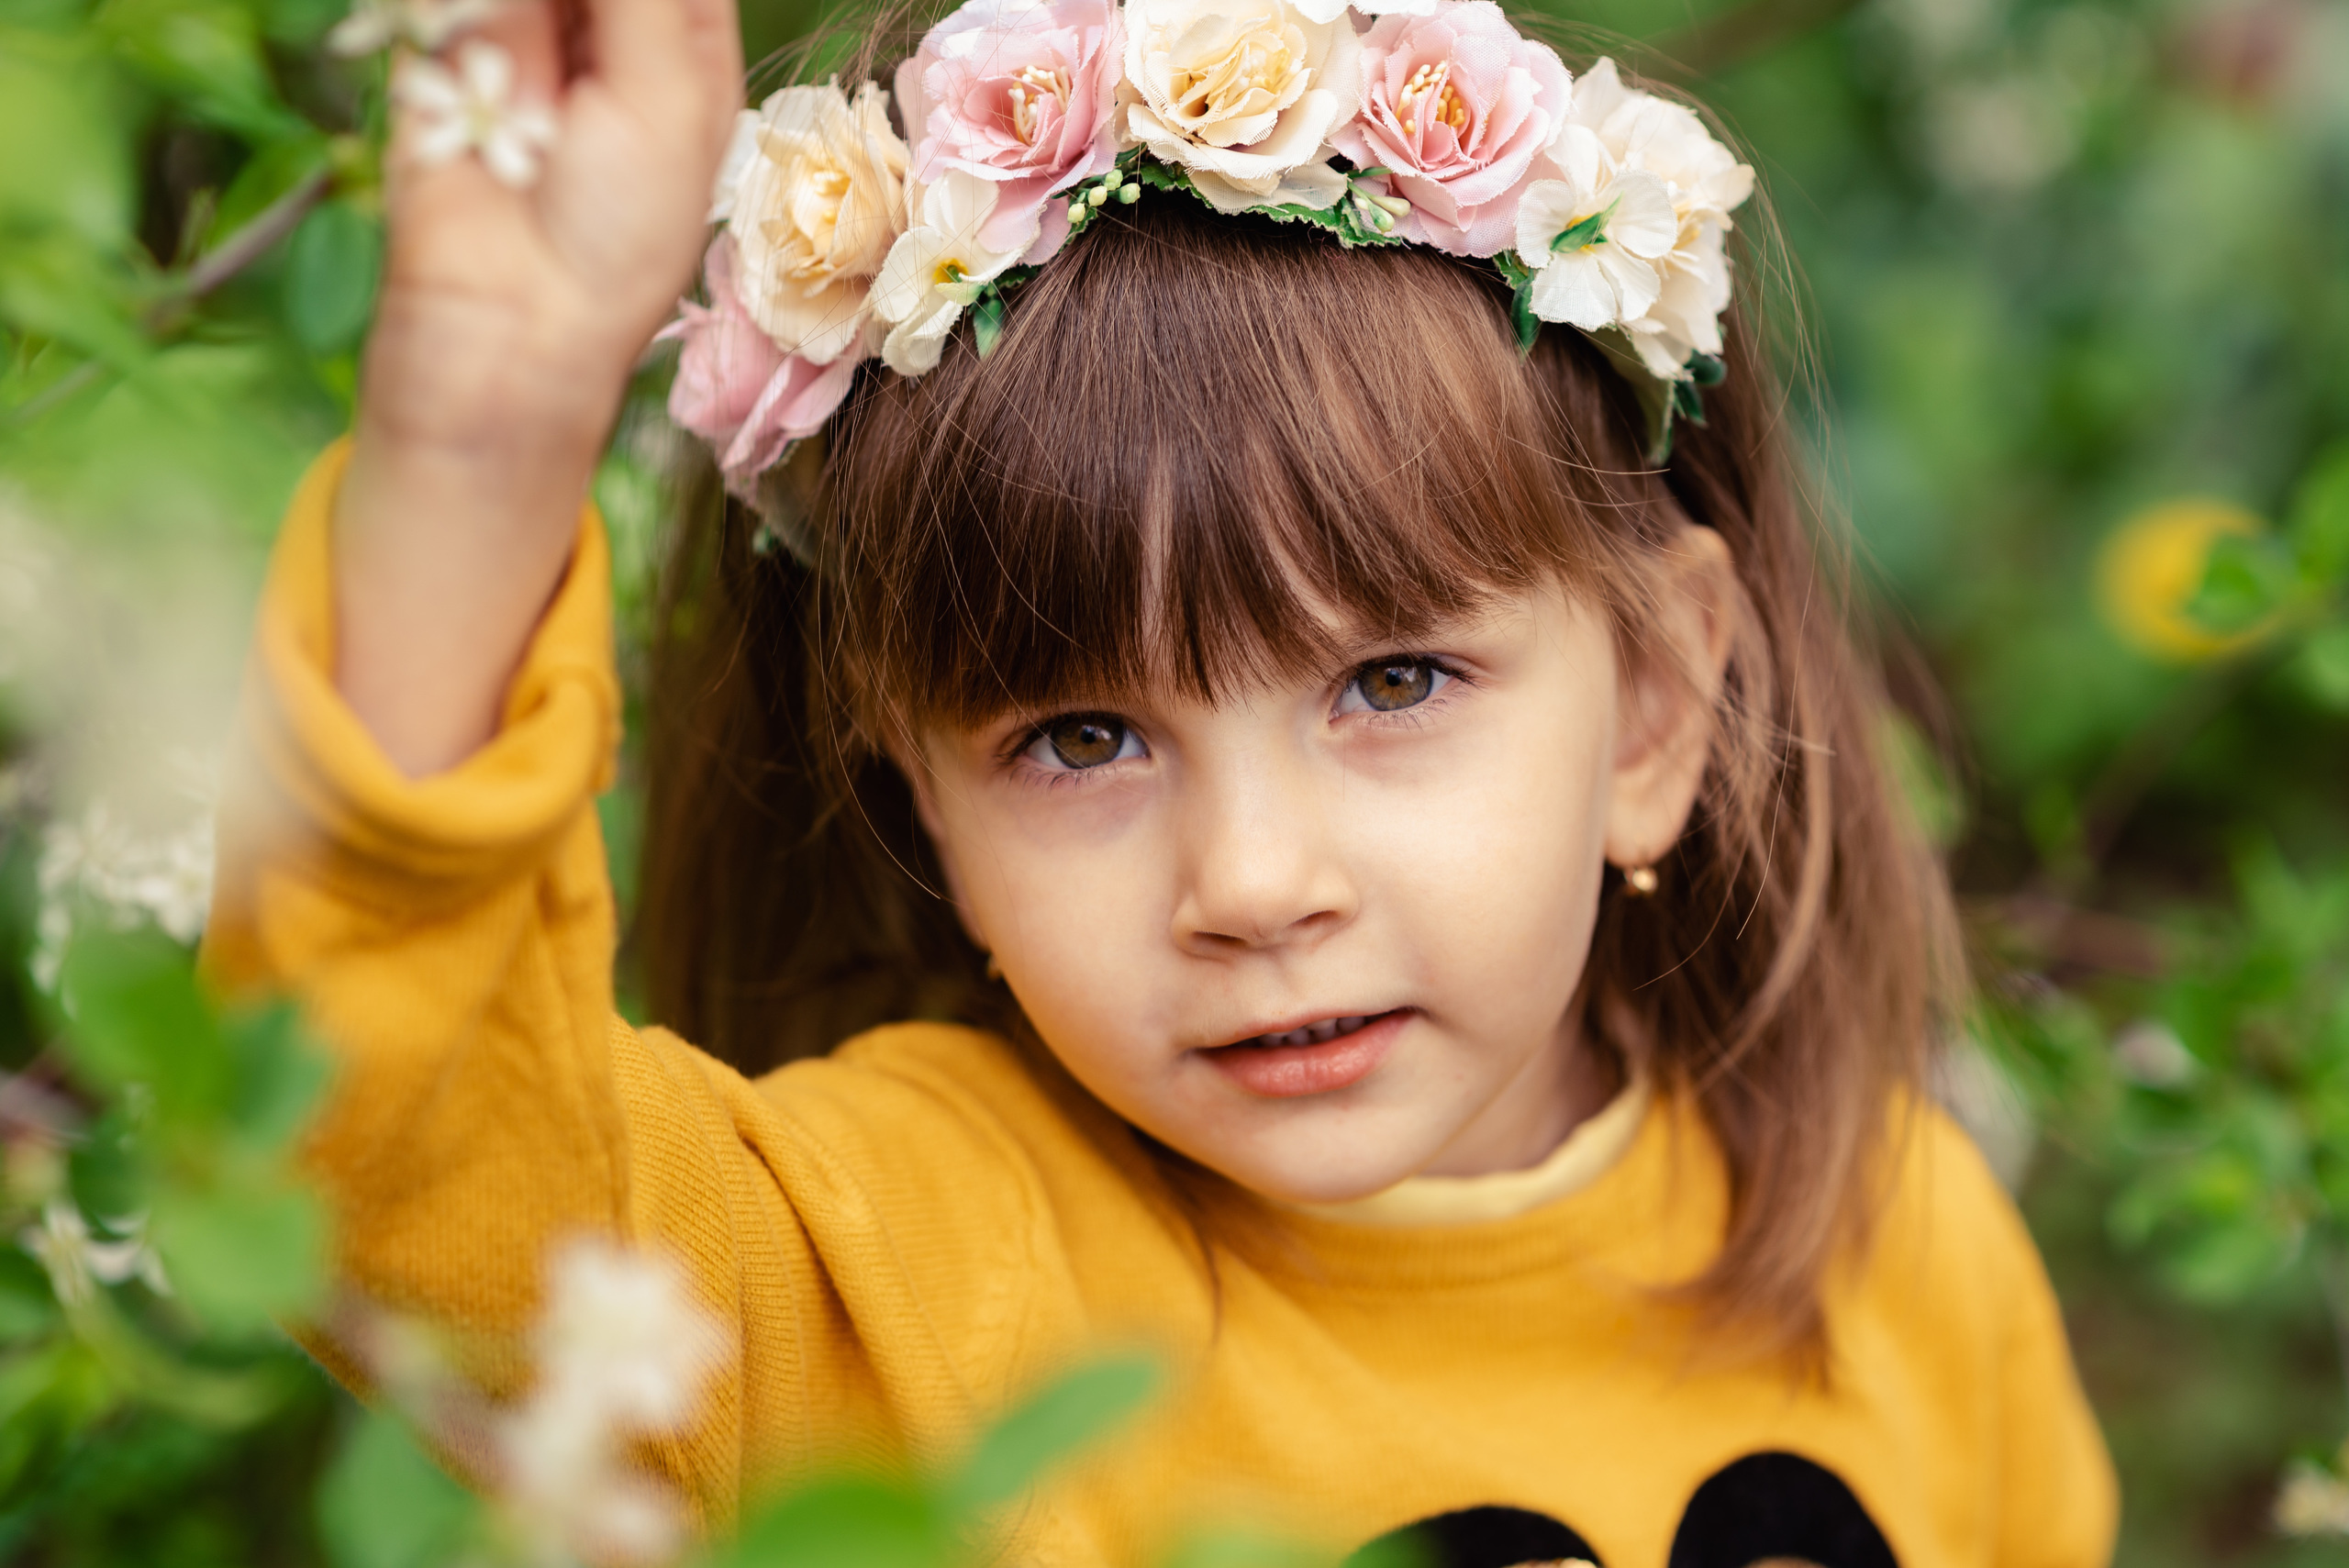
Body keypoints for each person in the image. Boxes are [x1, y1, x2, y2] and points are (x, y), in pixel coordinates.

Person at [205, 0, 2120, 1558]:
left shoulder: (1896, 1247)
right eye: (1078, 738)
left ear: (1648, 711)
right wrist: (482, 432)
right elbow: (384, 1146)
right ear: (915, 800)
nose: (1253, 880)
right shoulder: (897, 1283)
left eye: (1391, 679)